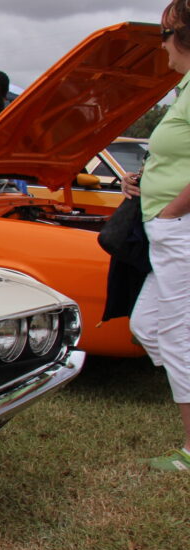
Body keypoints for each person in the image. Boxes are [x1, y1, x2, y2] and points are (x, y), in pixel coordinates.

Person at [122, 1, 190, 472]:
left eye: (162, 37)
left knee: (176, 335)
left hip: (178, 230)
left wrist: (172, 211)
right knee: (147, 326)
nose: (160, 46)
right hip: (166, 229)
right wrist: (143, 181)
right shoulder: (182, 90)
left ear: (180, 37)